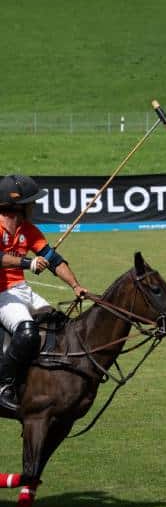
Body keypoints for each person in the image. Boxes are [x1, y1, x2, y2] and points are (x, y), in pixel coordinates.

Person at [0, 174, 88, 413]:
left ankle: (44, 377)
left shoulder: (28, 230)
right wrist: (28, 263)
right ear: (17, 205)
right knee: (27, 332)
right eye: (32, 202)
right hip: (1, 294)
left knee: (59, 323)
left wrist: (75, 285)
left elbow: (52, 259)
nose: (35, 206)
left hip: (20, 290)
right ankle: (4, 386)